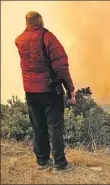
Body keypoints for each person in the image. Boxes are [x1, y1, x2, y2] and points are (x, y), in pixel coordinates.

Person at [15, 11, 76, 174]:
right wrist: (71, 89)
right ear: (40, 22)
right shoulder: (47, 37)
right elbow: (61, 67)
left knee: (38, 126)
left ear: (27, 23)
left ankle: (42, 161)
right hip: (49, 90)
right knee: (55, 127)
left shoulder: (19, 40)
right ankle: (60, 164)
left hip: (30, 91)